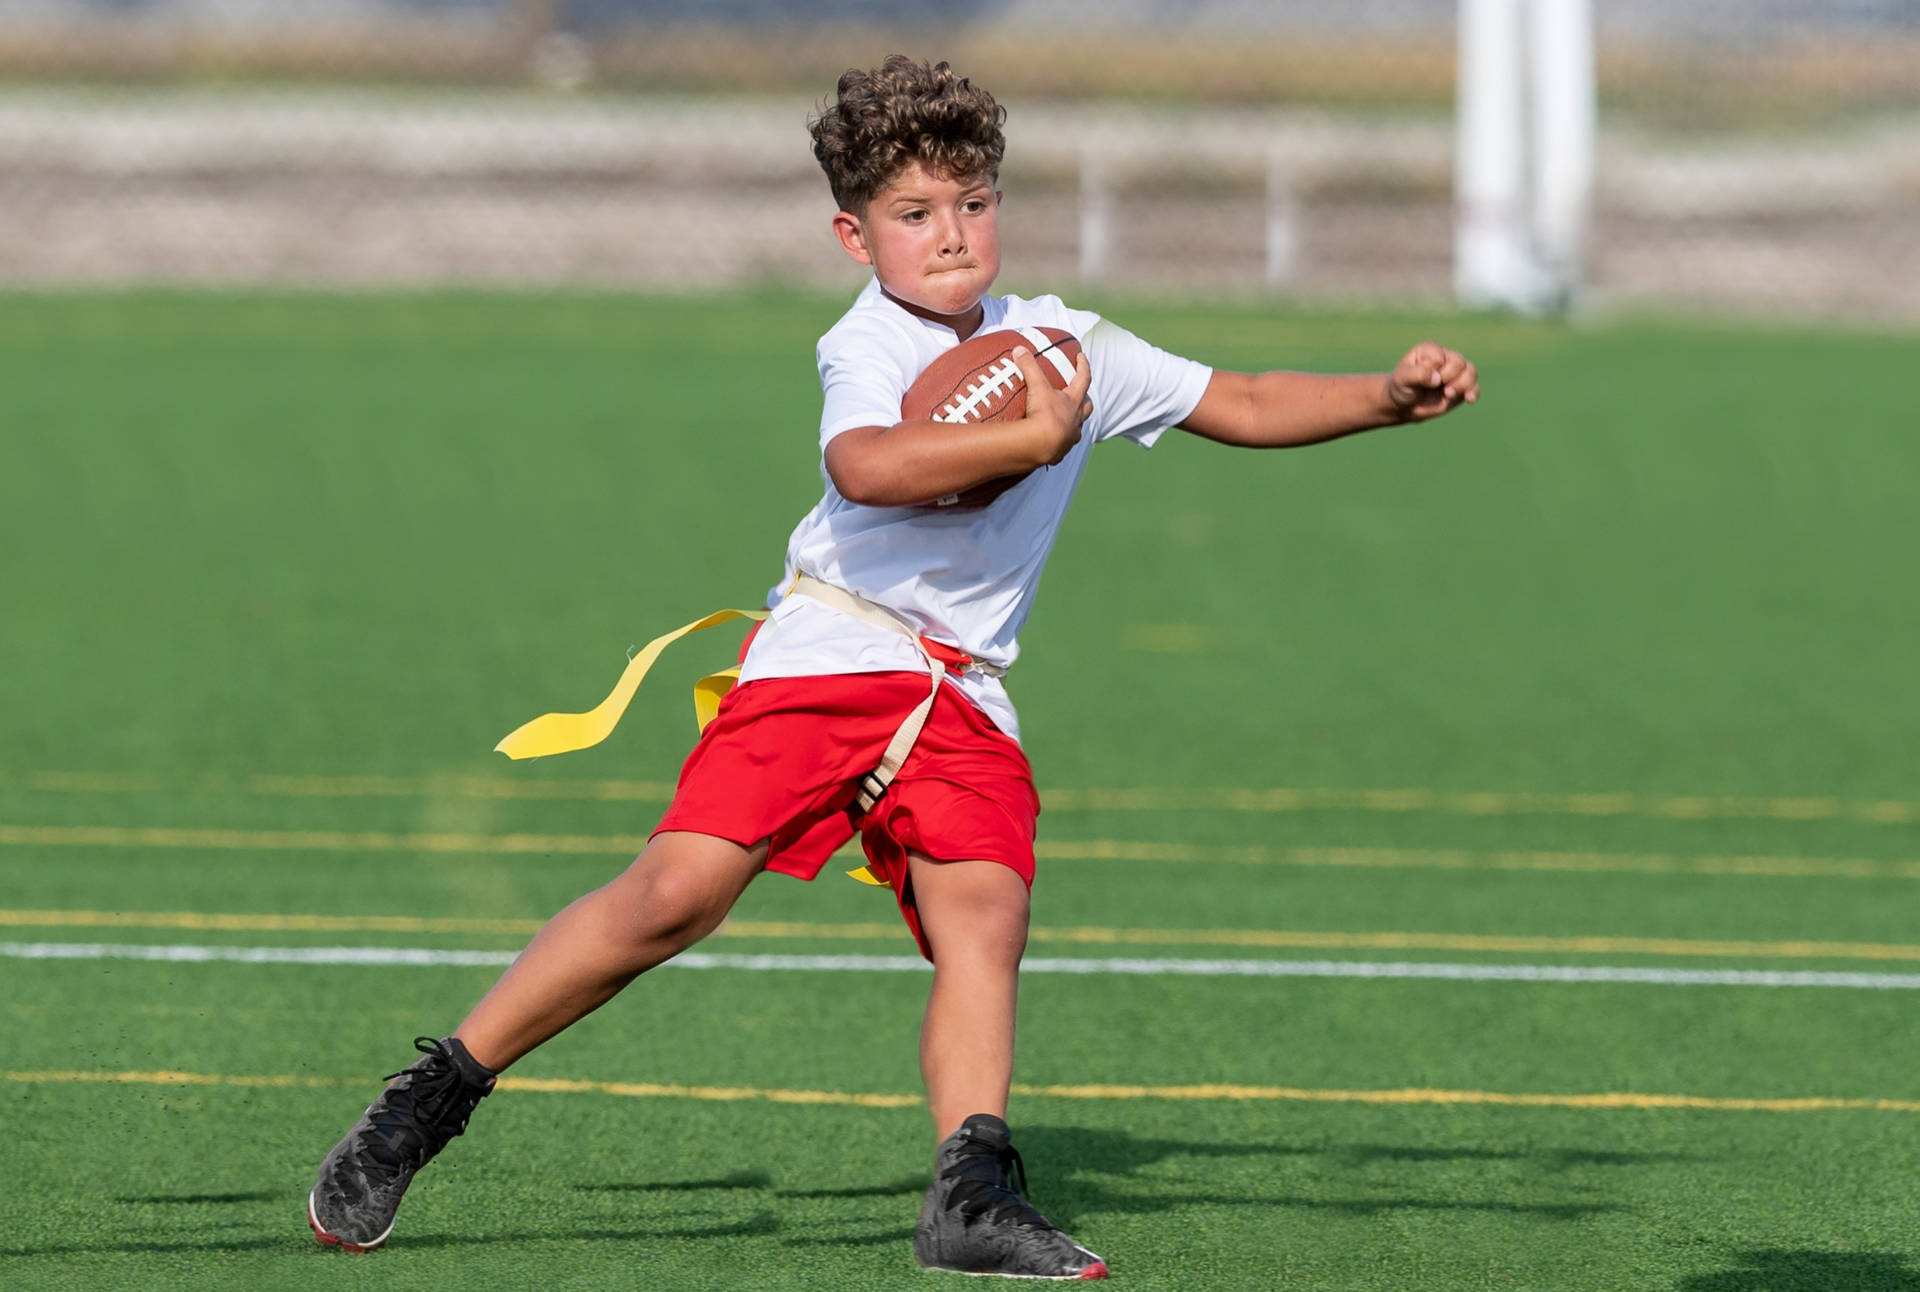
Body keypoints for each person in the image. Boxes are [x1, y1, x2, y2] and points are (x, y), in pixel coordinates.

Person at [306, 54, 1479, 1280]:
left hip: (960, 685)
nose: (952, 234)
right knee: (675, 895)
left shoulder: (1065, 343)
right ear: (854, 235)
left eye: (973, 203)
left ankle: (971, 1186)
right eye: (915, 215)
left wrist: (1387, 396)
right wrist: (1032, 435)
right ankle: (427, 1099)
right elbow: (868, 466)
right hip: (835, 647)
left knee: (987, 911)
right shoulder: (863, 343)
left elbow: (1236, 394)